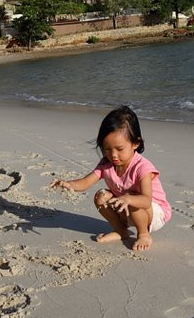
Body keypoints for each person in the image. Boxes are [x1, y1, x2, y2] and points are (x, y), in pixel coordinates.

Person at [52, 106, 171, 251]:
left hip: (154, 212)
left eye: (119, 149)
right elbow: (85, 182)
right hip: (126, 206)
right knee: (100, 196)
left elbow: (146, 200)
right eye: (107, 149)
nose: (113, 155)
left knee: (133, 199)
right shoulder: (106, 164)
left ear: (135, 143)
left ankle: (143, 234)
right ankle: (121, 230)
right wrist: (68, 184)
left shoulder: (142, 168)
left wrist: (128, 199)